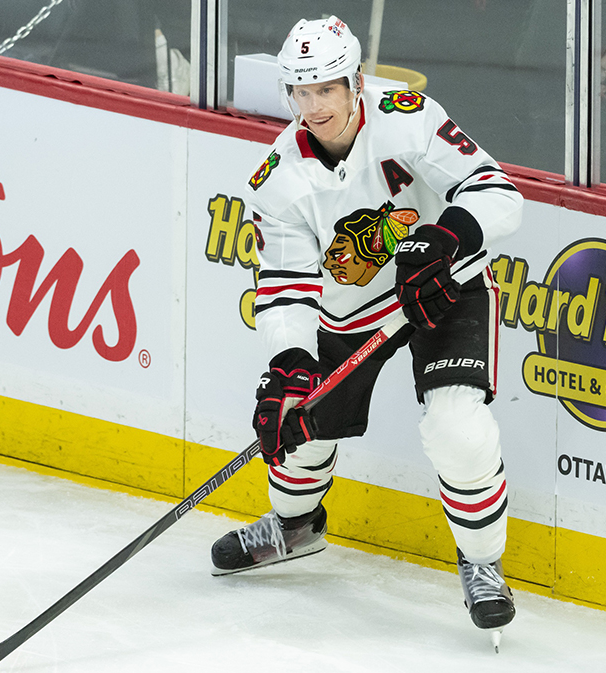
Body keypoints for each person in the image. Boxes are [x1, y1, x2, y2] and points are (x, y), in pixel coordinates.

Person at [210, 16, 523, 638]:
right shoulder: (278, 178)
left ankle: (483, 564)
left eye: (327, 88)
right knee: (296, 422)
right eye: (301, 92)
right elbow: (283, 285)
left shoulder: (409, 117)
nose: (314, 106)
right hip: (351, 306)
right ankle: (295, 527)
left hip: (442, 286)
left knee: (457, 426)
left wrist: (446, 236)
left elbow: (499, 191)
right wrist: (291, 363)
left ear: (355, 82)